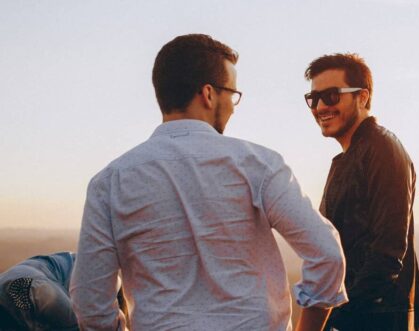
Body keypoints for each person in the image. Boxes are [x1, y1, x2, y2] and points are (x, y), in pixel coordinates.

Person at [70, 34, 347, 331]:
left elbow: (90, 303)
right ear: (208, 94)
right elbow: (327, 254)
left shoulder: (109, 183)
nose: (232, 105)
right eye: (232, 94)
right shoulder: (257, 165)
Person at [304, 53, 419, 331]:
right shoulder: (351, 156)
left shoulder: (382, 149)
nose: (320, 106)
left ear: (362, 97)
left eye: (332, 96)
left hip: (374, 318)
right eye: (314, 99)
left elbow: (389, 250)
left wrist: (338, 317)